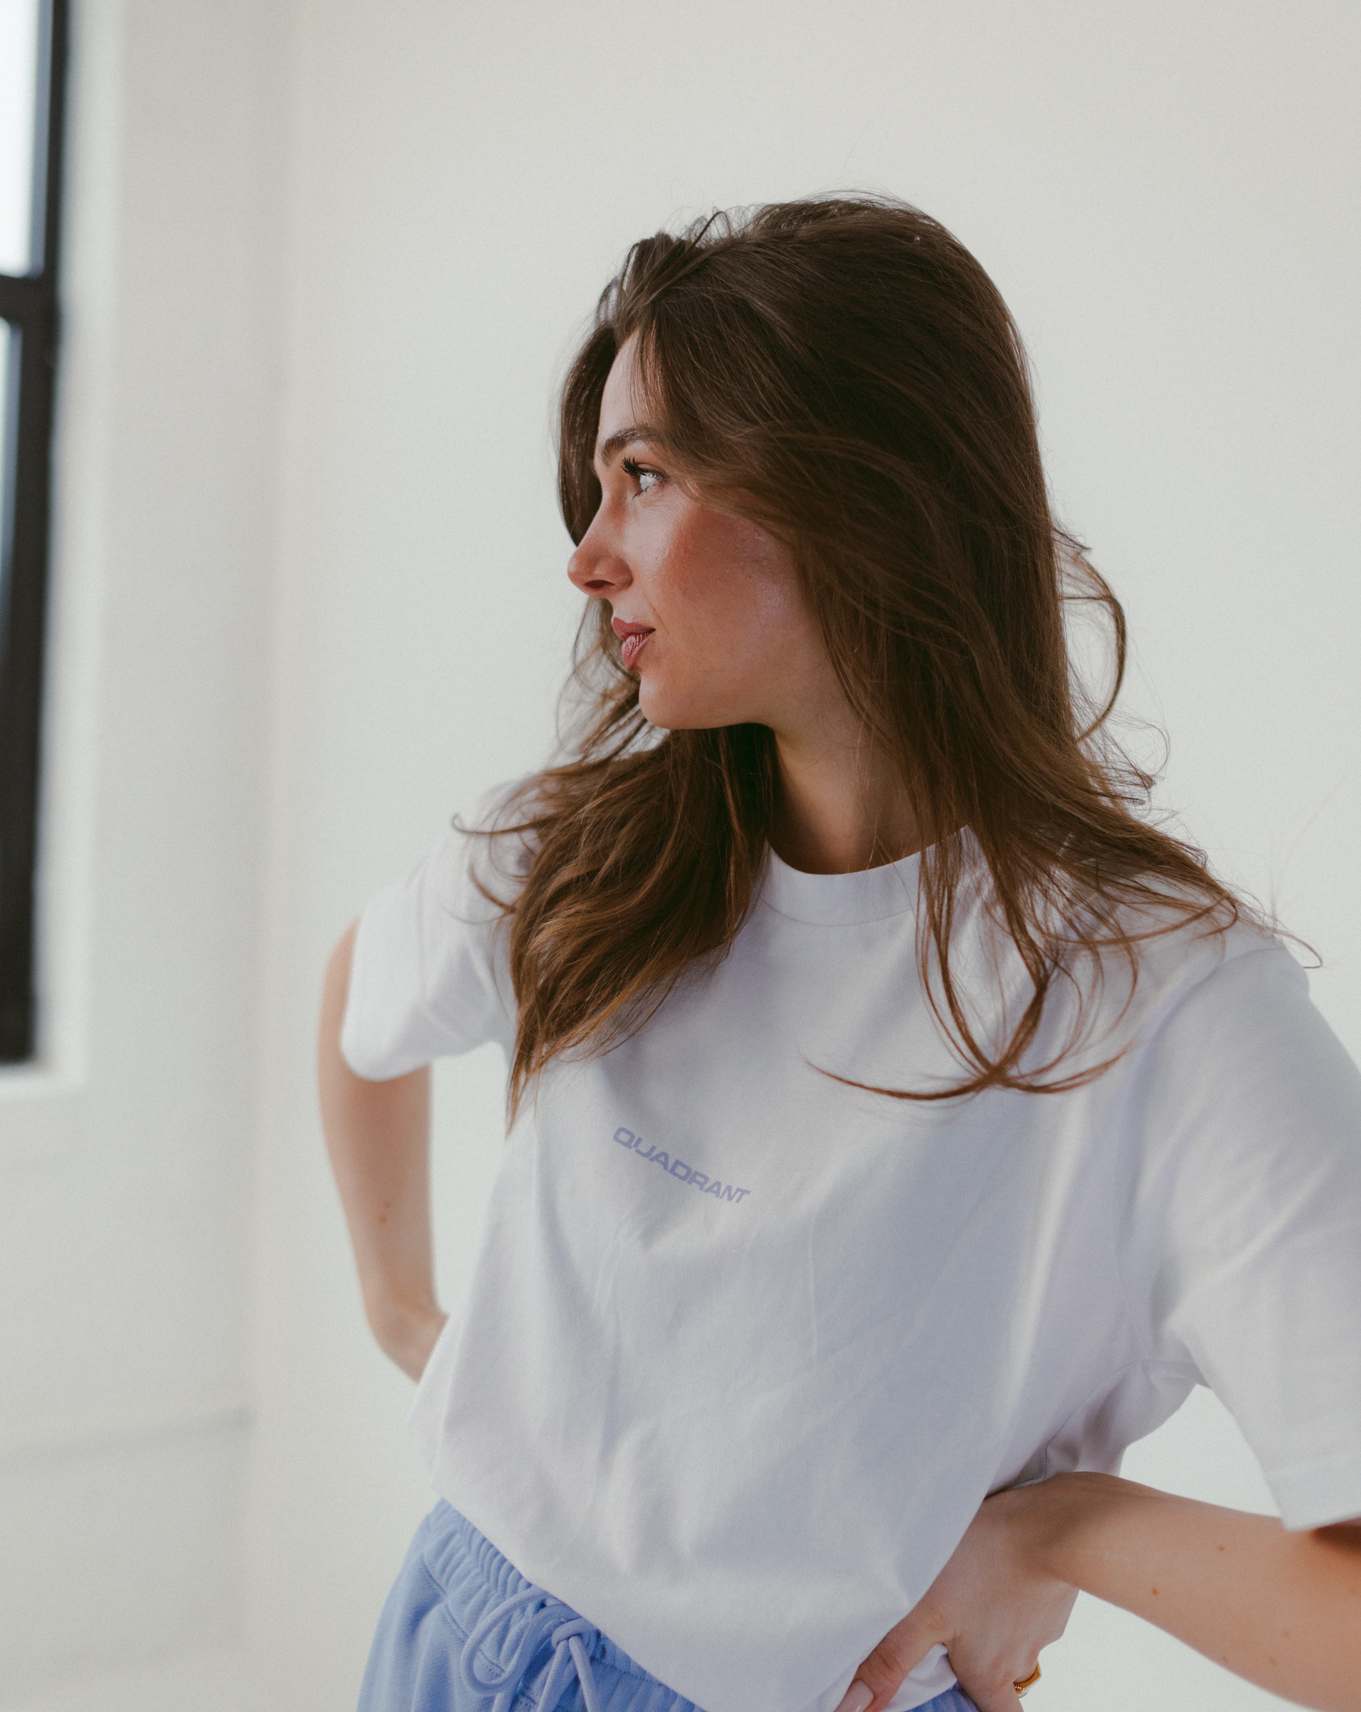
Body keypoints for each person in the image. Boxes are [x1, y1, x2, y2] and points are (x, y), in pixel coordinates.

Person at [318, 198, 1361, 1712]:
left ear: (861, 500)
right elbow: (364, 982)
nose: (588, 556)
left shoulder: (1176, 1008)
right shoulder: (590, 851)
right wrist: (399, 1312)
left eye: (645, 476)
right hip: (462, 1632)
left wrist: (1067, 1527)